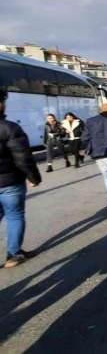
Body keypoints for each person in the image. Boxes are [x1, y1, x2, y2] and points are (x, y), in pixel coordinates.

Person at [0, 89, 42, 268]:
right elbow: (22, 157)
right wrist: (34, 177)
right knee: (15, 216)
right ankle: (13, 254)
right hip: (10, 182)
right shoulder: (9, 127)